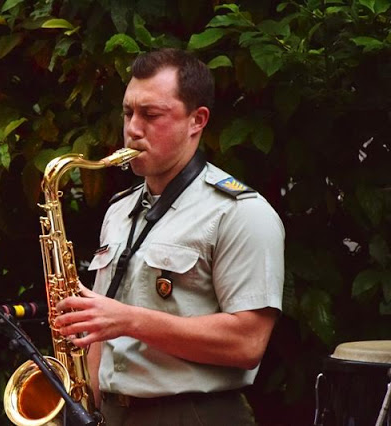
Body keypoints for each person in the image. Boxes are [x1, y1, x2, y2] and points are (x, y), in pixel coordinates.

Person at [55, 48, 285, 425]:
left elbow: (247, 343)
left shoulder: (241, 212)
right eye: (128, 113)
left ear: (197, 120)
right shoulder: (119, 210)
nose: (132, 128)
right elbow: (99, 329)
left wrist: (129, 320)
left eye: (151, 115)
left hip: (194, 414)